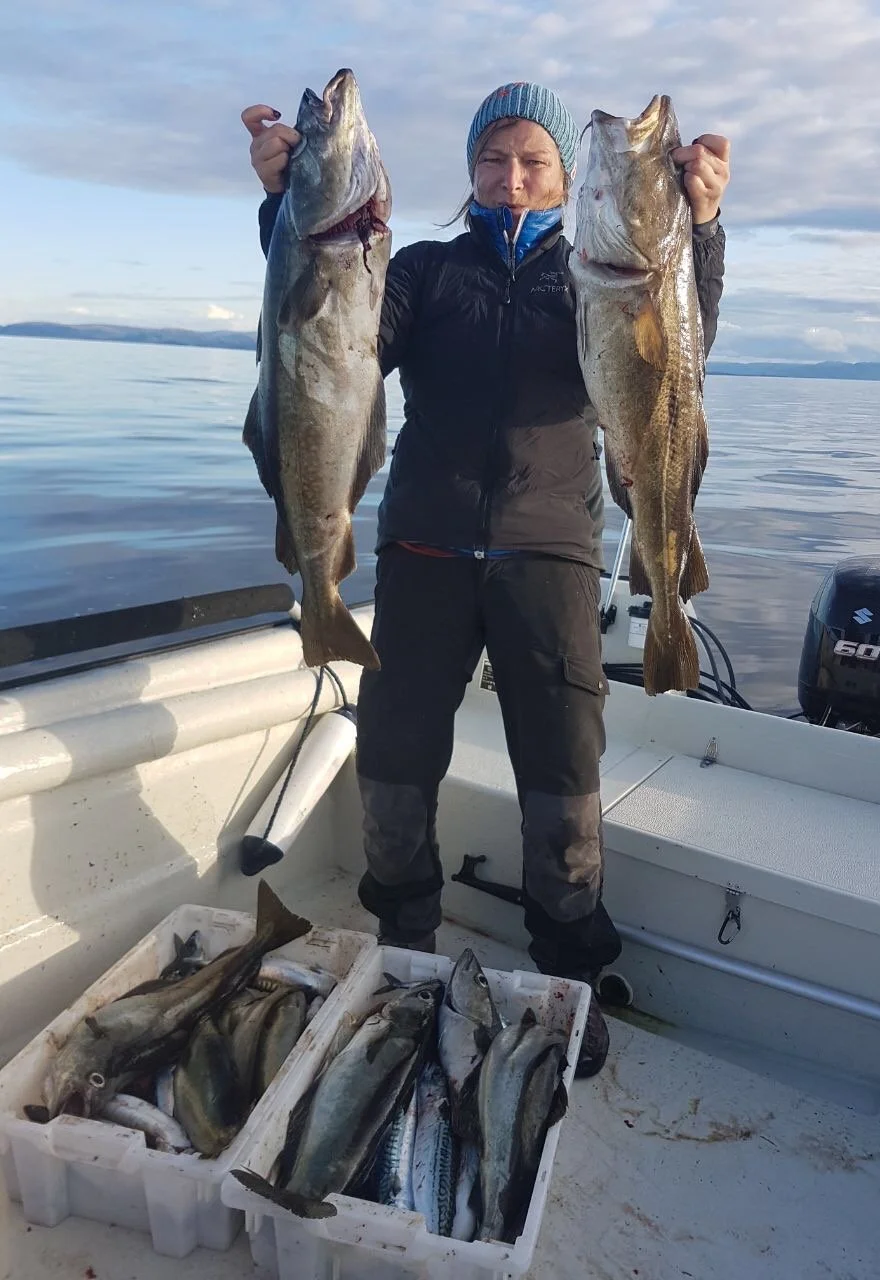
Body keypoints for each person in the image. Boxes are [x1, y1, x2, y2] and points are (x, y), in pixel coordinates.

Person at [241, 81, 730, 1078]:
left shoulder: (592, 274)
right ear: (470, 173)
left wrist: (701, 227)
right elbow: (333, 330)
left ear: (563, 174)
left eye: (533, 161)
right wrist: (286, 204)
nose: (512, 179)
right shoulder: (420, 269)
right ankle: (407, 949)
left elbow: (678, 346)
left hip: (550, 552)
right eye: (493, 160)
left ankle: (571, 968)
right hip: (422, 548)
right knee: (393, 762)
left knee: (563, 777)